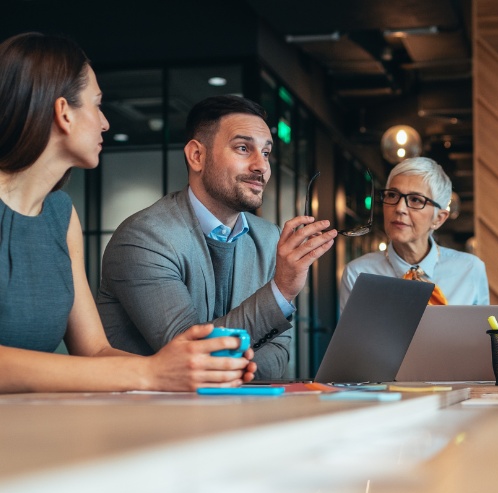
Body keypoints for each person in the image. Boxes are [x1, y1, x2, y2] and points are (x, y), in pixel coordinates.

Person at [0, 33, 256, 393]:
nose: (105, 123)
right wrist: (149, 374)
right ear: (63, 113)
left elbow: (93, 350)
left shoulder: (60, 215)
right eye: (97, 105)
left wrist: (189, 370)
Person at [97, 95, 337, 379]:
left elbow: (279, 354)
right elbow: (195, 355)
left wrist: (228, 367)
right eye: (243, 148)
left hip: (239, 415)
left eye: (266, 152)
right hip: (153, 418)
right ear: (197, 156)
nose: (261, 166)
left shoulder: (269, 237)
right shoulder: (145, 237)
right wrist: (281, 291)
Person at [339, 157, 488, 310]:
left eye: (416, 199)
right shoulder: (358, 274)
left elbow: (482, 333)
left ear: (438, 218)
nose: (399, 208)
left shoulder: (470, 269)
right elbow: (351, 334)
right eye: (392, 195)